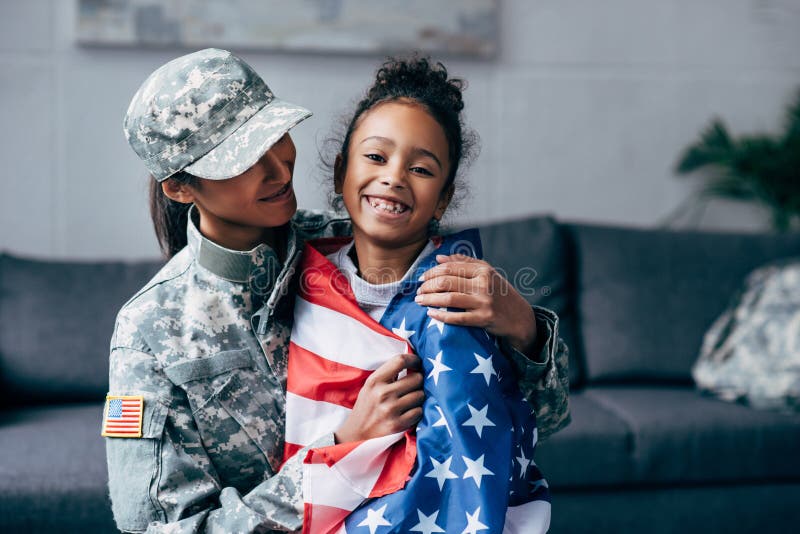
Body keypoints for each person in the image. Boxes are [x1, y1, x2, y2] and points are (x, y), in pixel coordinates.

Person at [104, 48, 569, 533]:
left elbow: (531, 421)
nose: (280, 171)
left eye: (275, 136)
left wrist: (526, 330)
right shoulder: (149, 333)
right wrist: (341, 450)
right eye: (239, 161)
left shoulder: (356, 241)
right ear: (180, 189)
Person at [282, 56, 552, 533]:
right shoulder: (292, 266)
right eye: (376, 156)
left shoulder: (462, 292)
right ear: (342, 170)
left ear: (443, 199)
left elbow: (498, 430)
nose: (395, 177)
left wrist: (526, 327)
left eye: (422, 169)